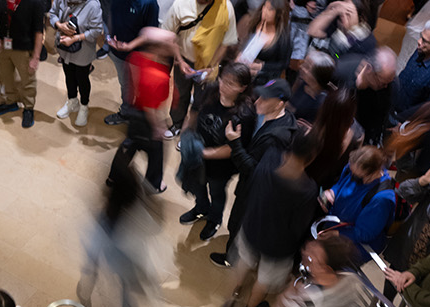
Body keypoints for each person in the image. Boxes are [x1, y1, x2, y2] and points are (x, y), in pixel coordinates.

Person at [210, 78, 299, 269]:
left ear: (280, 103)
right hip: (255, 190)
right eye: (259, 97)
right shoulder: (282, 118)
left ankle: (231, 258)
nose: (257, 102)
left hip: (253, 192)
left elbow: (253, 171)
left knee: (238, 223)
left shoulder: (275, 137)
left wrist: (234, 143)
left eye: (265, 99)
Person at [233, 130, 321, 307]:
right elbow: (299, 226)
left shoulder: (271, 156)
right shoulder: (307, 189)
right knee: (264, 279)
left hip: (252, 226)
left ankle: (236, 290)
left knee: (244, 260)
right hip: (277, 246)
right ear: (312, 157)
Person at [78, 149, 160, 307]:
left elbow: (96, 242)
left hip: (110, 242)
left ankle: (85, 292)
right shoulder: (136, 195)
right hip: (128, 253)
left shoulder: (110, 210)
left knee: (91, 262)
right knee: (127, 290)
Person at [178, 63, 255, 241]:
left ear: (242, 88)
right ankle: (201, 208)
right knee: (198, 184)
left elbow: (232, 148)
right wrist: (185, 133)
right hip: (200, 153)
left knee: (217, 191)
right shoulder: (211, 90)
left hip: (221, 166)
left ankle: (214, 219)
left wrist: (202, 153)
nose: (223, 86)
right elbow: (194, 111)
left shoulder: (244, 114)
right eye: (223, 80)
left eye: (231, 83)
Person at [108, 26, 183, 197]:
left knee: (130, 144)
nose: (174, 46)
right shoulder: (158, 76)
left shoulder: (136, 58)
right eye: (171, 44)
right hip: (146, 118)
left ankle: (114, 176)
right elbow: (151, 107)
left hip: (134, 110)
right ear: (159, 48)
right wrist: (158, 127)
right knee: (155, 149)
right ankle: (153, 183)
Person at [163, 0, 238, 128]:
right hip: (184, 59)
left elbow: (226, 42)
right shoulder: (181, 4)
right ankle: (176, 124)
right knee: (180, 94)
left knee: (202, 100)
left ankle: (191, 129)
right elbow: (170, 36)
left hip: (208, 66)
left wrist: (213, 67)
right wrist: (180, 61)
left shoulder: (226, 8)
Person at [0, 0, 46, 128]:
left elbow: (38, 31)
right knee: (6, 76)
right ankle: (11, 101)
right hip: (3, 43)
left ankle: (28, 107)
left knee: (27, 80)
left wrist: (35, 57)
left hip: (24, 47)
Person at [105, 0, 160, 127]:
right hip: (115, 48)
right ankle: (129, 110)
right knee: (125, 83)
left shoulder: (147, 1)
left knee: (131, 85)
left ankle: (129, 114)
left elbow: (149, 32)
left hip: (135, 53)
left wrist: (130, 46)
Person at [50, 0, 105, 127]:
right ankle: (72, 101)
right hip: (64, 46)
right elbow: (52, 13)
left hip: (82, 50)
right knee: (68, 75)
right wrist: (59, 25)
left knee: (82, 78)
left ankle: (84, 106)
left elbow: (96, 31)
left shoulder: (93, 4)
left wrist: (75, 38)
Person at [320, 146, 397, 260]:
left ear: (372, 173)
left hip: (355, 241)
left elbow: (365, 233)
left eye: (358, 174)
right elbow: (341, 183)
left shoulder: (381, 200)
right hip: (336, 224)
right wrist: (332, 192)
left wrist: (337, 234)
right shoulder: (354, 168)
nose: (353, 175)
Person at [235, 0, 293, 81]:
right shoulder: (256, 22)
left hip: (263, 79)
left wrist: (261, 66)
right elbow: (244, 42)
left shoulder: (283, 38)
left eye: (270, 9)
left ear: (279, 14)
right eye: (264, 7)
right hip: (242, 69)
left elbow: (283, 63)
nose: (265, 11)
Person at [288, 50, 335, 127]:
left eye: (306, 67)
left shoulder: (322, 102)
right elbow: (290, 102)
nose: (301, 67)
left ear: (317, 76)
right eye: (303, 64)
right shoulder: (303, 81)